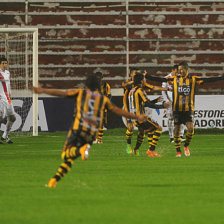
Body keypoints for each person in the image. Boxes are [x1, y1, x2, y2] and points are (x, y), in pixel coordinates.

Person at [32, 74, 146, 188]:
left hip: (78, 129)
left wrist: (42, 90)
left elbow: (62, 93)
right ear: (98, 86)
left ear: (86, 85)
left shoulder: (81, 93)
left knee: (65, 154)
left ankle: (81, 150)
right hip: (91, 134)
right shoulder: (103, 99)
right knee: (69, 160)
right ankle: (53, 182)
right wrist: (137, 117)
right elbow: (117, 110)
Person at [146, 61, 224, 157]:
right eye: (179, 70)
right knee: (177, 131)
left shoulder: (193, 79)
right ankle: (178, 152)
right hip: (177, 109)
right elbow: (160, 79)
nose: (180, 71)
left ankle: (186, 146)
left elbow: (207, 80)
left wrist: (221, 77)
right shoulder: (174, 79)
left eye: (182, 69)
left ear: (187, 69)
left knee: (191, 129)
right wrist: (147, 76)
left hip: (188, 109)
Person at [122, 68, 169, 154]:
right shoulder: (139, 90)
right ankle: (151, 151)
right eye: (144, 79)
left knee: (149, 130)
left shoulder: (131, 91)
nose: (145, 81)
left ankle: (137, 150)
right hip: (140, 117)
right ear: (141, 81)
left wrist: (155, 100)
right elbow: (148, 104)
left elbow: (143, 103)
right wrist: (163, 105)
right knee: (159, 128)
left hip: (135, 119)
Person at [161, 65, 185, 143]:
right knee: (171, 119)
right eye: (176, 72)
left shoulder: (179, 78)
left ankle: (180, 135)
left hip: (178, 101)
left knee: (182, 117)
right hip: (170, 102)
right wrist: (166, 100)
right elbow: (163, 91)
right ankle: (171, 137)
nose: (177, 74)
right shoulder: (166, 78)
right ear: (173, 70)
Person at [0, 57, 16, 144]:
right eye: (3, 63)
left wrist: (9, 93)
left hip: (7, 98)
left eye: (6, 63)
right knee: (0, 118)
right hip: (0, 98)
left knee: (13, 118)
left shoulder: (7, 73)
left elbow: (8, 84)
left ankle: (5, 136)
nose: (5, 65)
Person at [94, 72, 111, 144]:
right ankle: (95, 138)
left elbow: (109, 95)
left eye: (99, 78)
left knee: (101, 123)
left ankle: (100, 139)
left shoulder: (106, 85)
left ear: (102, 78)